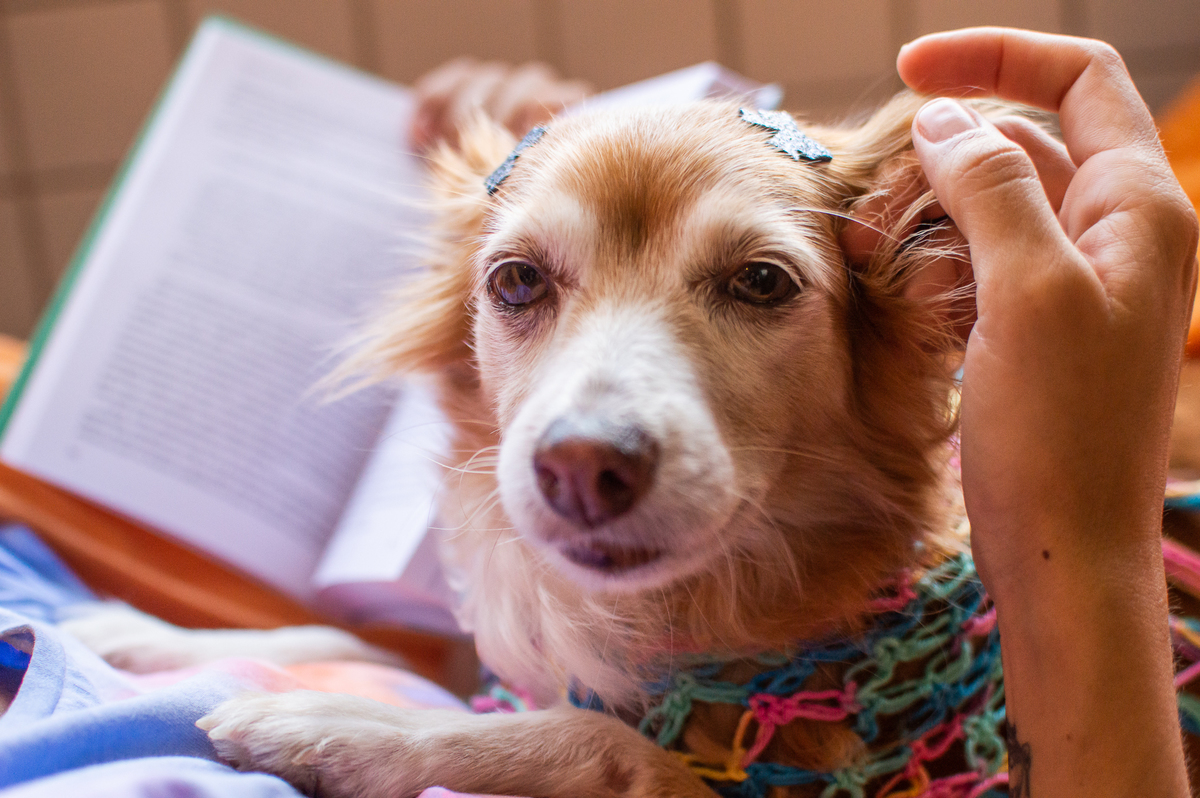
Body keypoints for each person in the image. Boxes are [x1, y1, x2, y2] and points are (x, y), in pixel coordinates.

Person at [410, 28, 1199, 796]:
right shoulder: (496, 630)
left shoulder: (946, 707)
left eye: (758, 283)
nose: (585, 447)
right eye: (519, 283)